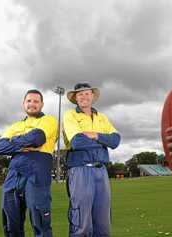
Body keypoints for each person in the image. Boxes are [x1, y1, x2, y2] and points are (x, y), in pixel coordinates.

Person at [0, 89, 58, 237]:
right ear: (23, 103)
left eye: (36, 101)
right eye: (29, 101)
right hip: (14, 173)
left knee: (40, 222)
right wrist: (25, 144)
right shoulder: (15, 125)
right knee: (11, 222)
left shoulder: (49, 120)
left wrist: (15, 141)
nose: (32, 104)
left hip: (37, 171)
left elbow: (37, 139)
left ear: (42, 104)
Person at [63, 83, 121, 237]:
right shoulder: (70, 115)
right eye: (80, 94)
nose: (84, 97)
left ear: (92, 96)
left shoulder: (102, 117)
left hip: (101, 171)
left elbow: (115, 140)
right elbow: (77, 142)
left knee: (103, 220)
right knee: (81, 219)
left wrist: (95, 135)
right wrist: (103, 141)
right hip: (80, 169)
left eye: (87, 93)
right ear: (75, 98)